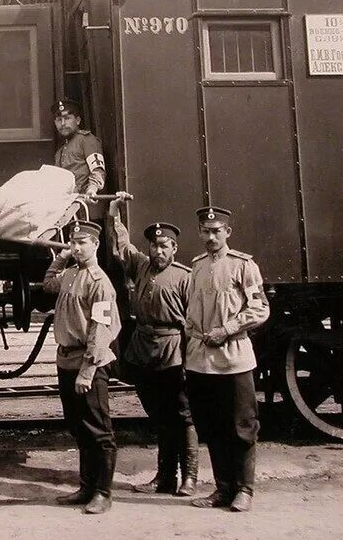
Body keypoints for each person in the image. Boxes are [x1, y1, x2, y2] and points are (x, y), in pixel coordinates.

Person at [106, 194, 197, 496]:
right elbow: (122, 246)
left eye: (164, 246)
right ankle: (164, 478)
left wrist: (188, 360)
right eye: (154, 246)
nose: (158, 251)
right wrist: (114, 216)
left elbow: (193, 324)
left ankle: (190, 478)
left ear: (174, 248)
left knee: (182, 416)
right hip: (143, 349)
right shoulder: (142, 267)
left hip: (173, 351)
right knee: (158, 416)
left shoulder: (185, 278)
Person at [183, 206, 269, 513]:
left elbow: (260, 310)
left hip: (234, 360)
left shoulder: (243, 266)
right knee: (213, 426)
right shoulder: (196, 266)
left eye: (216, 231)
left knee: (242, 426)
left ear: (227, 232)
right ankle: (222, 489)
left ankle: (244, 490)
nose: (210, 236)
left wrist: (227, 330)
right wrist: (192, 328)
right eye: (205, 231)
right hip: (201, 361)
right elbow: (191, 311)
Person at [42, 220, 121, 514]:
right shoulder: (71, 274)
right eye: (73, 243)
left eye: (82, 243)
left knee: (99, 430)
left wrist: (87, 372)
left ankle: (103, 492)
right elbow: (49, 284)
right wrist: (60, 257)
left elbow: (100, 331)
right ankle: (86, 487)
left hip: (89, 361)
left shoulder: (100, 283)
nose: (76, 248)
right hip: (66, 360)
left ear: (95, 245)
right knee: (79, 428)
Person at [52, 98, 105, 196]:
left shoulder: (87, 140)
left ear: (77, 120)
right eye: (59, 120)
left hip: (85, 201)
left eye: (67, 118)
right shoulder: (59, 152)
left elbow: (98, 170)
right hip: (66, 202)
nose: (63, 123)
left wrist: (92, 190)